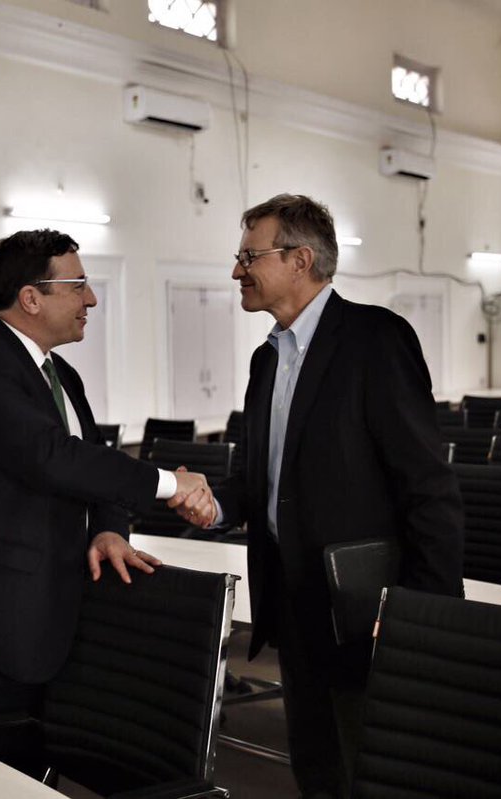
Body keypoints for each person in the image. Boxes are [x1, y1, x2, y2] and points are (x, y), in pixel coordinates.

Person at [0, 229, 214, 771]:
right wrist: (170, 484)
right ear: (31, 298)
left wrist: (110, 527)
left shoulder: (60, 373)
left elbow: (91, 463)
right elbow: (50, 457)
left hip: (46, 611)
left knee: (32, 764)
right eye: (78, 286)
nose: (90, 299)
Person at [188, 194, 463, 798]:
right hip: (294, 601)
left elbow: (427, 484)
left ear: (299, 260)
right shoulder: (268, 359)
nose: (237, 271)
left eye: (248, 256)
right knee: (315, 768)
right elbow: (263, 480)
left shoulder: (375, 339)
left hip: (366, 608)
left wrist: (422, 612)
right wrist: (216, 504)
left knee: (375, 772)